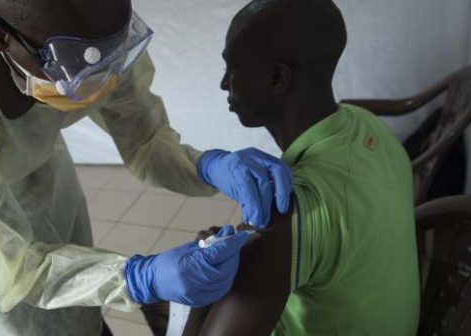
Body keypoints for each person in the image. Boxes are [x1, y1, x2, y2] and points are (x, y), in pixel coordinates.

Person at [0, 0, 294, 335]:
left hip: (30, 158)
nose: (103, 84)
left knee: (78, 295)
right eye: (80, 73)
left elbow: (143, 138)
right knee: (23, 317)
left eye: (112, 61)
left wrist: (209, 166)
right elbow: (12, 270)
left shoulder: (93, 33)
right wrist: (139, 280)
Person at [180, 0, 421, 335]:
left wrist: (203, 298)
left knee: (166, 298)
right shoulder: (367, 126)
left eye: (232, 69)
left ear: (277, 78)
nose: (224, 84)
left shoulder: (288, 213)